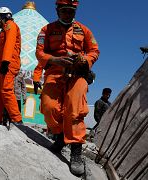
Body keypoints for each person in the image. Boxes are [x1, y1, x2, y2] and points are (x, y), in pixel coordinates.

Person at [35, 0, 100, 176]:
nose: (67, 14)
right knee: (48, 107)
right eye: (64, 11)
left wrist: (85, 60)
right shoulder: (46, 30)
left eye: (71, 11)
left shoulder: (84, 30)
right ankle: (59, 137)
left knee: (75, 109)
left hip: (77, 75)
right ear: (57, 10)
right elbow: (39, 53)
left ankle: (76, 151)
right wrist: (55, 60)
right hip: (55, 72)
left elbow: (94, 50)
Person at [0, 7, 22, 125]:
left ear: (2, 17)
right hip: (5, 63)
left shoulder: (10, 25)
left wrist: (6, 62)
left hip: (10, 63)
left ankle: (17, 120)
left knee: (6, 90)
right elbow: (3, 51)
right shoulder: (4, 30)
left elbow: (10, 43)